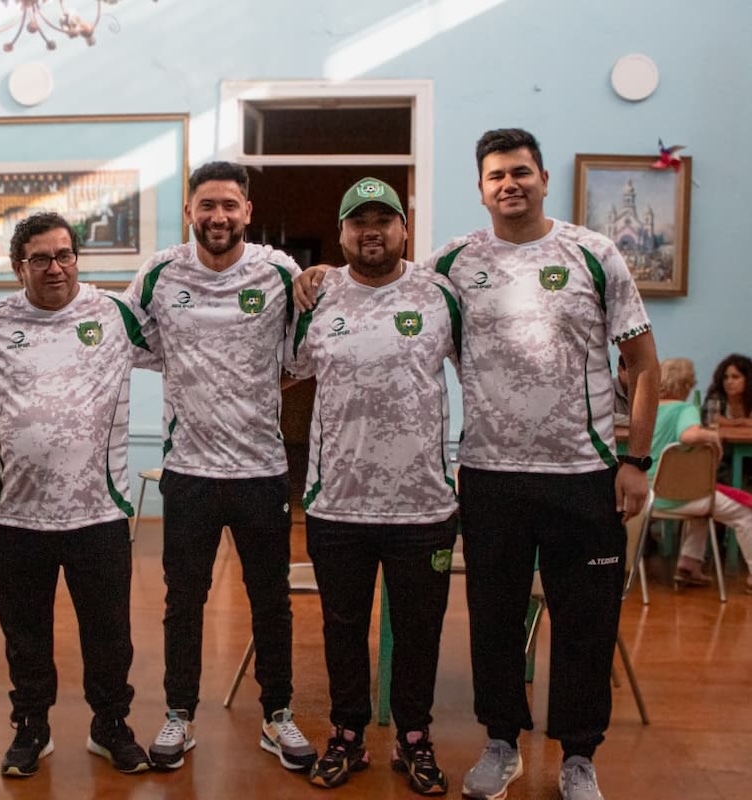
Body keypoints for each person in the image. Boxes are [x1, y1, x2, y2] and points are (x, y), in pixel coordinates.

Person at [295, 128, 660, 800]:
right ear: (482, 189)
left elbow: (642, 364)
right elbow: (383, 284)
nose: (509, 184)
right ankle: (500, 746)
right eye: (496, 176)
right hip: (490, 474)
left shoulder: (594, 253)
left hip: (584, 475)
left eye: (520, 172)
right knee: (494, 622)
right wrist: (319, 274)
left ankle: (579, 758)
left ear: (543, 178)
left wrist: (636, 458)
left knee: (585, 625)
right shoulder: (453, 265)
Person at [124, 161, 316, 773]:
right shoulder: (159, 273)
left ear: (247, 212)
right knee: (184, 601)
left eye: (230, 205)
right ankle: (179, 714)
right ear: (189, 211)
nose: (218, 216)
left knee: (272, 602)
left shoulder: (279, 272)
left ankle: (278, 714)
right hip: (189, 471)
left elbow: (301, 355)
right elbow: (126, 338)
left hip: (262, 470)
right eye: (207, 205)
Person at [0, 211, 153, 779]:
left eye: (64, 255)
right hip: (16, 517)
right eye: (39, 258)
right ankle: (30, 728)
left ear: (76, 259)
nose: (55, 267)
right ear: (19, 267)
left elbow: (189, 352)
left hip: (98, 512)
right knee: (25, 638)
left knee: (110, 636)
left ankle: (110, 726)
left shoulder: (115, 315)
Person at [286, 178, 459, 794]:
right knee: (342, 630)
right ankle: (347, 735)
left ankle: (414, 739)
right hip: (338, 504)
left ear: (404, 229)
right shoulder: (317, 296)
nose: (371, 231)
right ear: (341, 234)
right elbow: (282, 371)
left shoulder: (440, 293)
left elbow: (483, 369)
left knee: (418, 631)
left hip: (424, 505)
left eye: (383, 220)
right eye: (358, 221)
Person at [653, 359, 752, 593]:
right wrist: (712, 437)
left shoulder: (651, 409)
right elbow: (688, 436)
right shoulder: (685, 410)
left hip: (650, 496)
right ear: (687, 384)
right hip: (677, 497)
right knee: (745, 512)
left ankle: (689, 564)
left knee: (701, 503)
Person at [704, 354, 752, 425]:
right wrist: (737, 422)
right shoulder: (716, 396)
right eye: (725, 377)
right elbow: (708, 418)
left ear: (748, 380)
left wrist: (728, 422)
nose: (729, 382)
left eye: (735, 377)